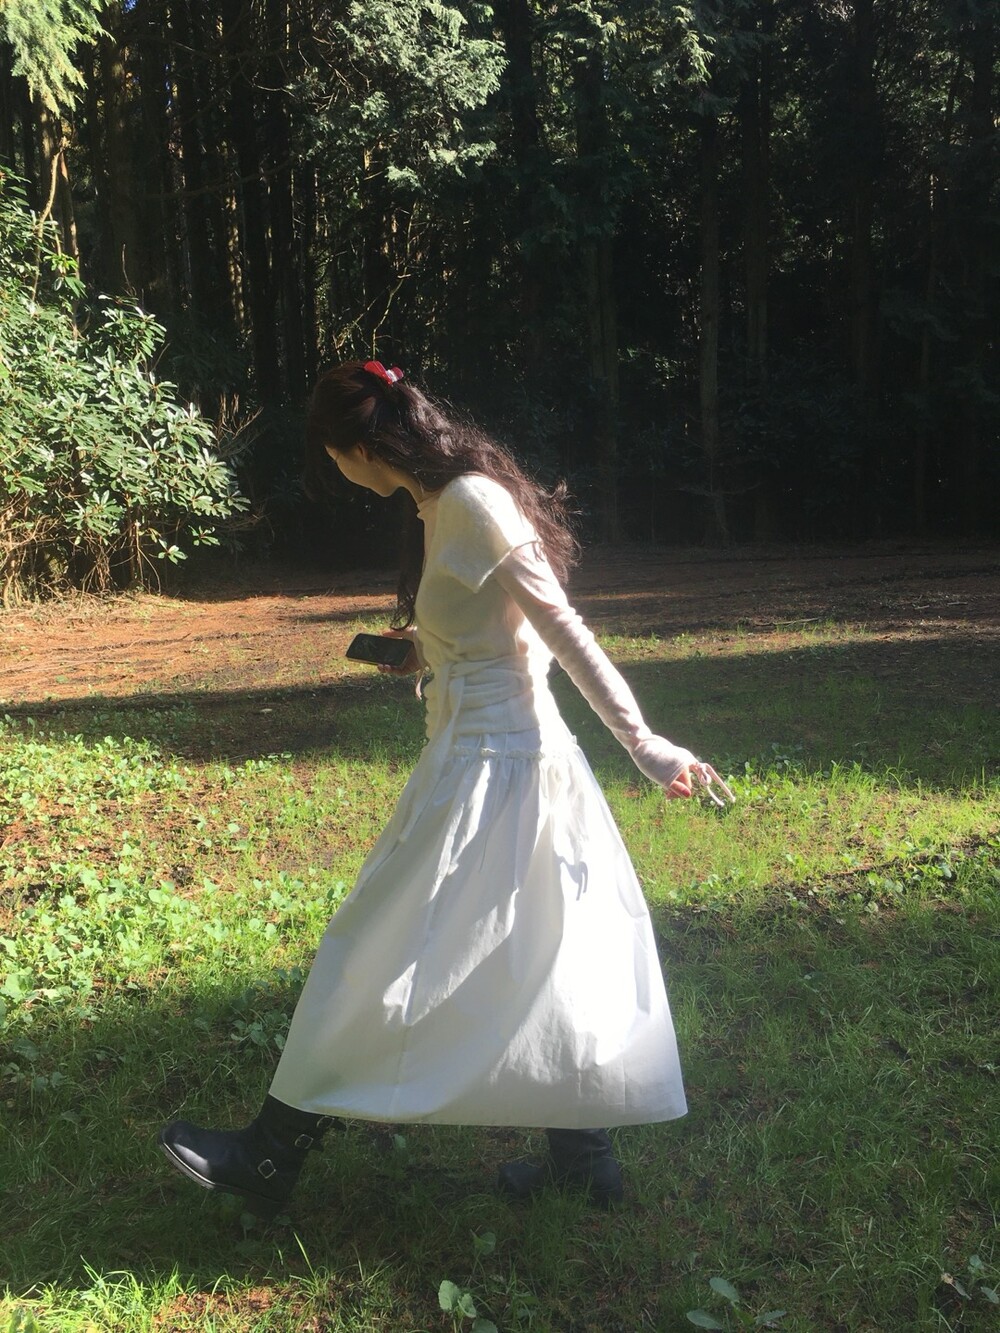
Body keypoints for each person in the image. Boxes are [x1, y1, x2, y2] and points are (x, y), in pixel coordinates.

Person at [159, 359, 732, 1217]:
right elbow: (491, 629)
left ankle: (271, 1154)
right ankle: (584, 1161)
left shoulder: (469, 501)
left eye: (333, 458)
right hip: (488, 758)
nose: (339, 474)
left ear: (357, 448)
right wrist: (422, 647)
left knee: (370, 945)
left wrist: (646, 745)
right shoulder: (440, 504)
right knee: (544, 951)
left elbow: (561, 628)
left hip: (496, 767)